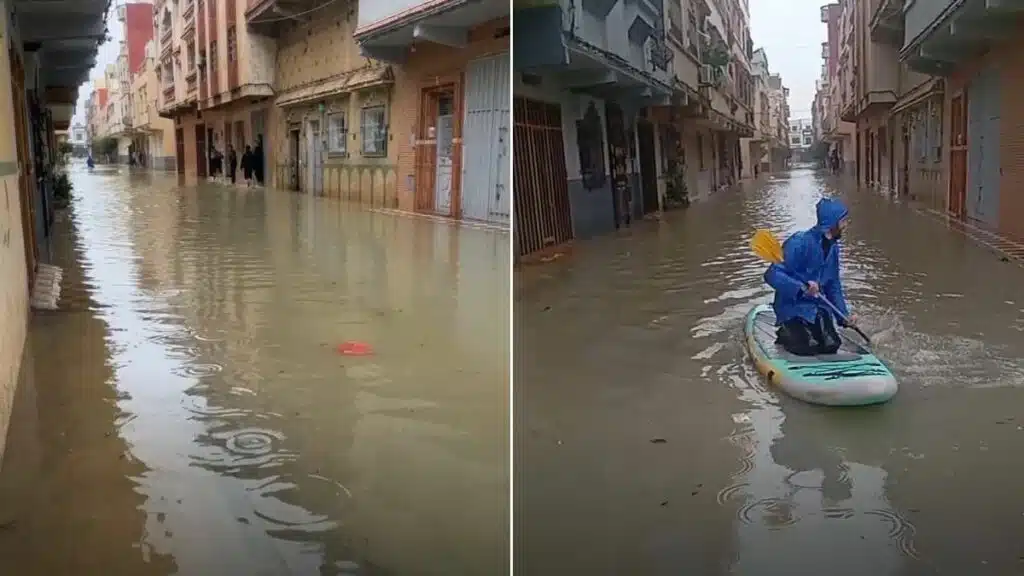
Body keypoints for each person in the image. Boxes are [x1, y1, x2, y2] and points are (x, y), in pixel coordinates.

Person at [764, 197, 857, 356]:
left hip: (817, 307)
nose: (845, 225)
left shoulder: (833, 248)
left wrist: (843, 316)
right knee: (807, 347)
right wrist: (802, 287)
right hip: (792, 308)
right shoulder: (798, 242)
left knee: (832, 345)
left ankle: (811, 331)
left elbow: (833, 285)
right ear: (832, 224)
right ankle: (784, 332)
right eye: (843, 221)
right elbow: (772, 274)